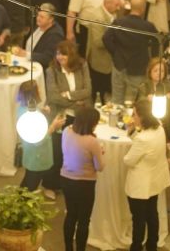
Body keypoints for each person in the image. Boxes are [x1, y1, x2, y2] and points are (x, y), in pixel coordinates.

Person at [123, 99, 170, 251]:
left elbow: (128, 161)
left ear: (143, 117)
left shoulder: (143, 139)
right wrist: (133, 130)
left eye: (135, 114)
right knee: (152, 213)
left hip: (140, 185)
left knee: (138, 218)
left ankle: (136, 246)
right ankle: (152, 245)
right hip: (154, 179)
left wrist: (132, 132)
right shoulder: (159, 128)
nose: (133, 117)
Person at [61, 106, 104, 251]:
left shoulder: (67, 131)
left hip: (66, 179)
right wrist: (101, 153)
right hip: (85, 183)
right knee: (84, 220)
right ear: (92, 123)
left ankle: (68, 248)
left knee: (71, 215)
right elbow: (100, 167)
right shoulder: (92, 141)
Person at [102, 0, 159, 105]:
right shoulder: (147, 26)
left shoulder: (118, 22)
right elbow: (157, 41)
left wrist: (115, 53)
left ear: (130, 7)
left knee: (117, 100)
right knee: (134, 102)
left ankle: (116, 121)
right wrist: (153, 59)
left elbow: (106, 38)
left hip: (119, 65)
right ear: (143, 9)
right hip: (138, 68)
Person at [17, 80, 66, 199]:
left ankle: (20, 203)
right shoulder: (31, 116)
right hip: (37, 156)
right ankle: (21, 208)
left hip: (31, 155)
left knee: (29, 180)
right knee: (30, 184)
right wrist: (53, 127)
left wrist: (43, 113)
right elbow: (38, 140)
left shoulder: (23, 109)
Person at [83, 0, 121, 103]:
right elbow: (98, 42)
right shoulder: (97, 17)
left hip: (110, 62)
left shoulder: (112, 13)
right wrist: (118, 42)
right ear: (107, 3)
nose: (118, 8)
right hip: (100, 62)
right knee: (99, 92)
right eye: (116, 5)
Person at [12, 3, 64, 71]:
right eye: (38, 15)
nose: (38, 18)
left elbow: (49, 58)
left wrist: (26, 54)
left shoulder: (56, 35)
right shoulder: (40, 25)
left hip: (41, 70)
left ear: (51, 19)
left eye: (42, 17)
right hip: (28, 63)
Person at [141, 58, 170, 138]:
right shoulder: (144, 85)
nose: (159, 73)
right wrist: (147, 99)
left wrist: (167, 100)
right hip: (148, 120)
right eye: (155, 70)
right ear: (150, 72)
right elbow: (139, 102)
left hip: (166, 121)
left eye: (162, 71)